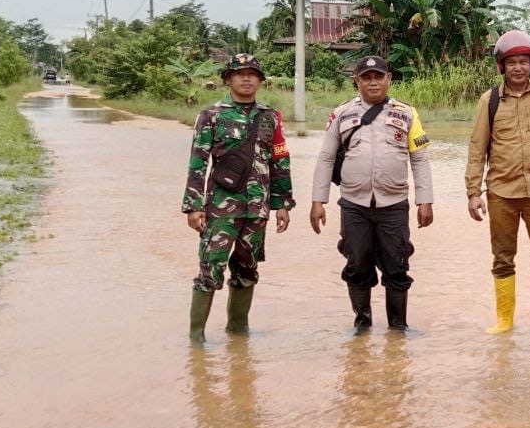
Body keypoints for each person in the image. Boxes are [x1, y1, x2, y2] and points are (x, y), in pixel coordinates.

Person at [311, 55, 434, 333]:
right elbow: (326, 158)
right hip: (354, 204)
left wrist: (425, 200)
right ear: (357, 80)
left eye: (379, 76)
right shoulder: (341, 113)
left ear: (389, 78)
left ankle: (398, 328)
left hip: (394, 204)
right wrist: (318, 201)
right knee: (356, 264)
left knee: (397, 265)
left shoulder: (408, 113)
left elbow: (420, 159)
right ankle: (362, 324)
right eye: (366, 77)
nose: (373, 82)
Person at [182, 53, 295, 343]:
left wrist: (282, 203)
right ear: (228, 79)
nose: (246, 78)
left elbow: (280, 160)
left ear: (259, 79)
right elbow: (198, 161)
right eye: (240, 73)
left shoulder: (270, 116)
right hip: (220, 208)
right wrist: (194, 206)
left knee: (247, 270)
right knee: (210, 270)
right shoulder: (212, 115)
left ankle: (238, 333)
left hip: (257, 209)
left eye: (252, 73)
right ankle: (196, 340)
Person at [465, 30, 530, 333]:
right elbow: (477, 149)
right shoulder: (490, 101)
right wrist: (473, 193)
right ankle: (504, 321)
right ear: (501, 66)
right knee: (502, 259)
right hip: (501, 193)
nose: (518, 68)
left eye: (523, 61)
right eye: (511, 62)